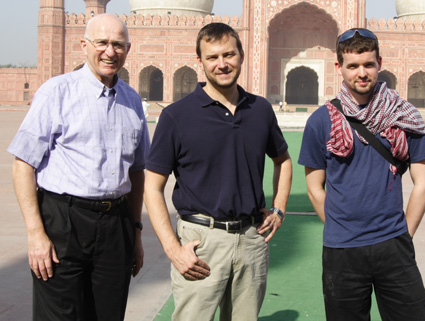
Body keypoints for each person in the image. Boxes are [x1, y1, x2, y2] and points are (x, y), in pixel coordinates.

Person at [144, 22, 292, 321]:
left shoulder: (260, 109)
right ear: (199, 61)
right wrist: (173, 249)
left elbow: (283, 160)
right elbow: (152, 187)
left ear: (242, 55)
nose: (222, 64)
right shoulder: (177, 116)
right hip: (202, 241)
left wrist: (279, 208)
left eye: (229, 55)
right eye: (212, 57)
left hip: (251, 237)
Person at [8, 13, 150, 320]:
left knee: (108, 315)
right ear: (83, 44)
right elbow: (23, 165)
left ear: (128, 48)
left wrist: (135, 233)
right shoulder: (57, 92)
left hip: (116, 223)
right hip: (63, 221)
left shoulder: (133, 101)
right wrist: (35, 233)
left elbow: (137, 171)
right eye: (102, 43)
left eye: (118, 44)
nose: (110, 52)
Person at [298, 28, 425, 320]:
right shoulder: (321, 121)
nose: (362, 73)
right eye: (353, 66)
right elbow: (314, 188)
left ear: (379, 63)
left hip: (393, 243)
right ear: (339, 67)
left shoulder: (403, 115)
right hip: (342, 250)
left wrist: (403, 235)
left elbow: (423, 184)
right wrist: (340, 227)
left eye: (368, 64)